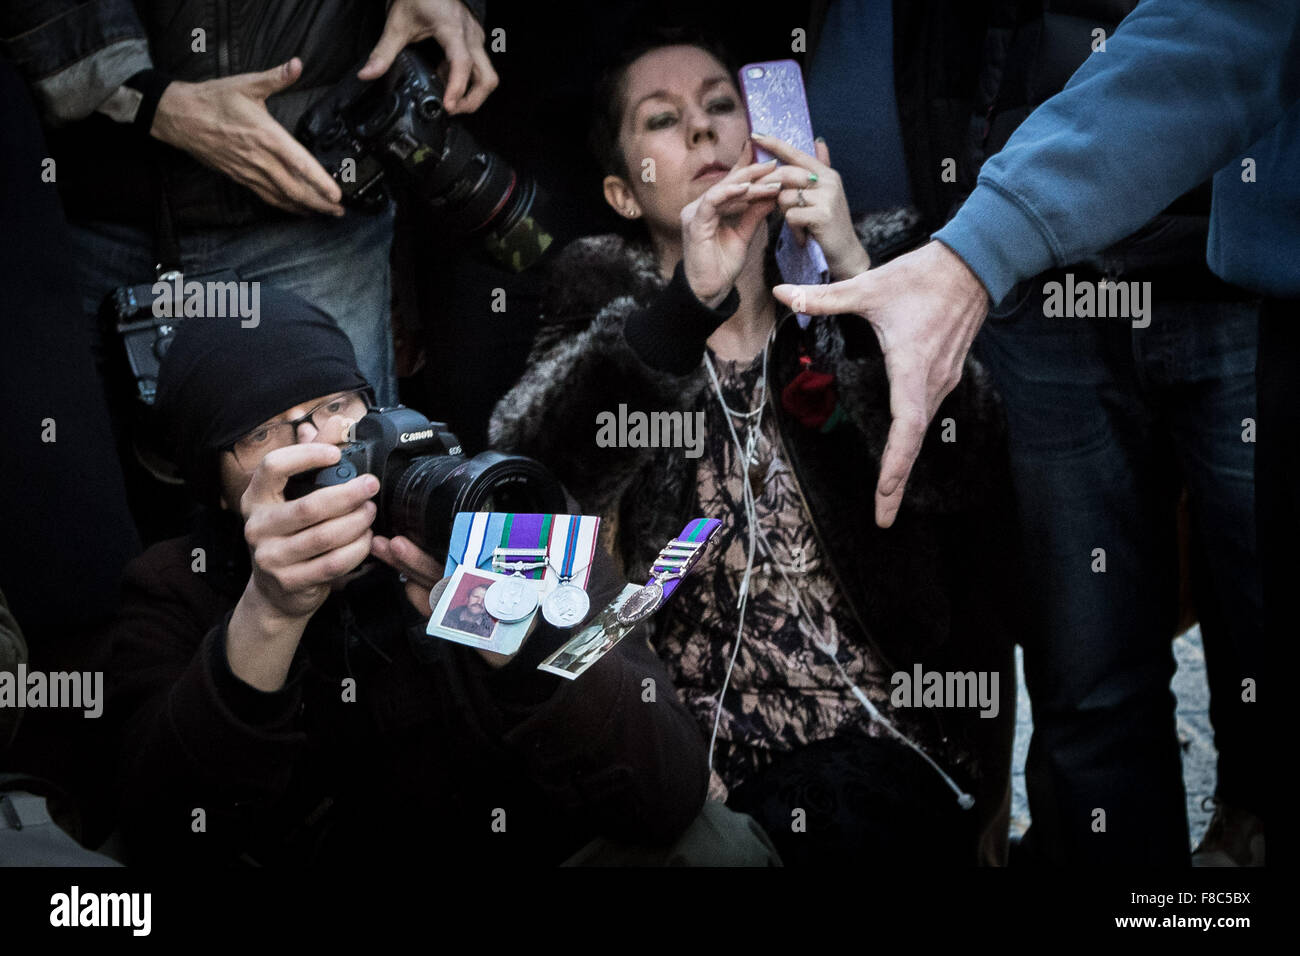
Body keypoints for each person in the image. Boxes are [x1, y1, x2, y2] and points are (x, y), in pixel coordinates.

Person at [777, 0, 1296, 865]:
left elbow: (1228, 31)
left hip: (1231, 274)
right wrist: (971, 238)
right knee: (1086, 678)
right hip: (1036, 279)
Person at [489, 32, 1022, 865]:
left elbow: (967, 476)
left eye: (721, 105)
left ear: (773, 133)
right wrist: (684, 308)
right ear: (625, 195)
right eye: (662, 120)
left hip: (879, 741)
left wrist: (853, 274)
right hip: (683, 755)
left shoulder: (880, 264)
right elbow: (528, 481)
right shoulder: (601, 304)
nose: (702, 132)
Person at [104, 287, 761, 866]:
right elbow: (164, 839)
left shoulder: (499, 512)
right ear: (216, 491)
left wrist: (525, 643)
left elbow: (668, 793)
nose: (323, 446)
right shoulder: (174, 588)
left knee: (716, 844)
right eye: (265, 432)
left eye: (337, 405)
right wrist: (270, 614)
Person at [1, 0, 498, 542]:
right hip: (99, 196)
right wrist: (140, 93)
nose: (305, 431)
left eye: (327, 406)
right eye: (262, 430)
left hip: (315, 190)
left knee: (362, 506)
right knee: (82, 521)